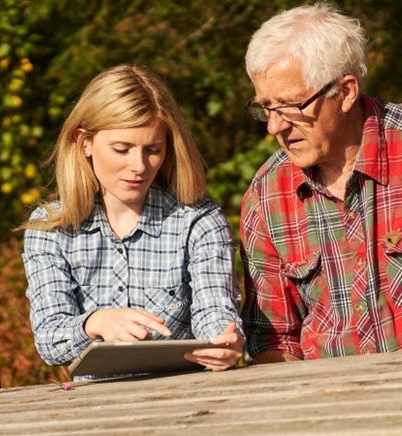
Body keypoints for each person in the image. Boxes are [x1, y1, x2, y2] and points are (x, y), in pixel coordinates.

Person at [239, 3, 402, 364]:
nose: (274, 127)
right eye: (266, 107)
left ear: (345, 92)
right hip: (327, 400)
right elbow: (274, 342)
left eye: (290, 106)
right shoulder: (267, 193)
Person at [21, 65, 244, 375]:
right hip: (92, 407)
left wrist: (223, 342)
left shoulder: (199, 220)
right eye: (121, 149)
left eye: (153, 150)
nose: (138, 166)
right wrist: (95, 323)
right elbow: (48, 339)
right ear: (84, 141)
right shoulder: (50, 229)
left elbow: (214, 311)